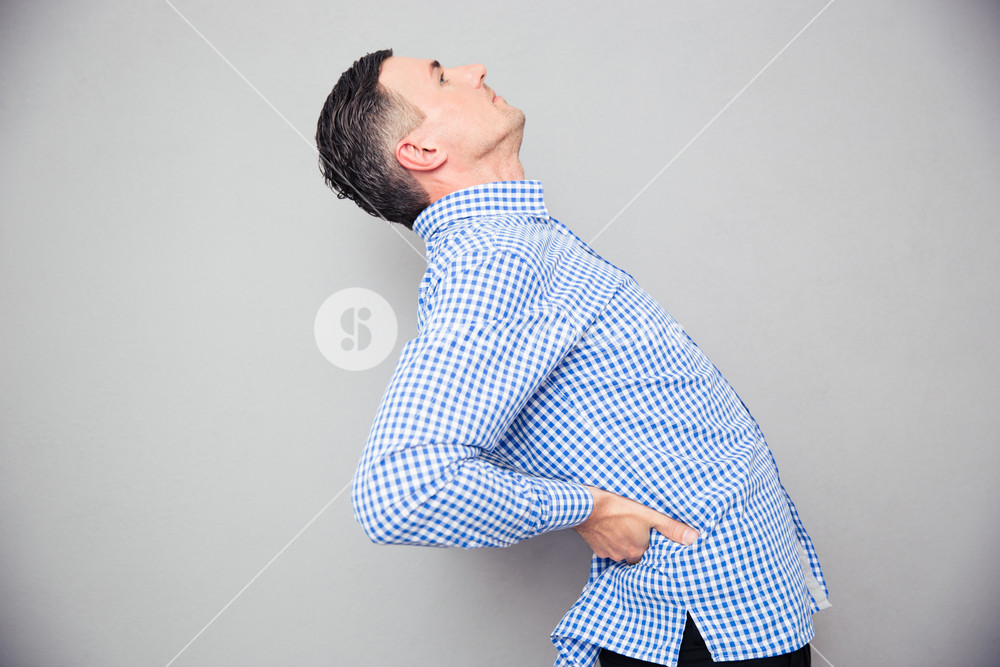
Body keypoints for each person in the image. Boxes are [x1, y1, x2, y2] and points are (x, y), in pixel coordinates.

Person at [315, 49, 830, 667]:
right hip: (711, 627)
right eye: (443, 77)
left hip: (733, 610)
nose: (476, 70)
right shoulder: (492, 260)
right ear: (422, 151)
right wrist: (589, 506)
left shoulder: (517, 242)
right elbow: (401, 492)